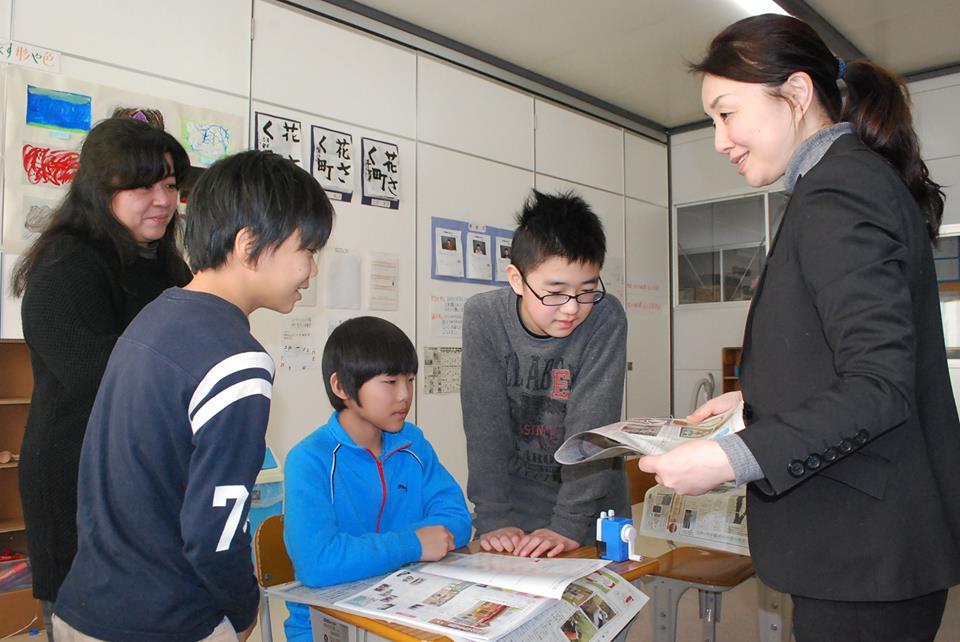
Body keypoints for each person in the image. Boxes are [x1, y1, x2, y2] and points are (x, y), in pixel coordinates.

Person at [637, 14, 960, 641]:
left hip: (865, 549)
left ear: (797, 93)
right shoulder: (839, 183)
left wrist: (730, 457)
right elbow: (835, 355)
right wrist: (751, 401)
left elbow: (878, 384)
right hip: (863, 547)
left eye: (727, 113)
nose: (719, 140)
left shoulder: (841, 190)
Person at [52, 150, 334, 642]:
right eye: (307, 250)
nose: (311, 270)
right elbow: (216, 533)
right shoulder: (237, 360)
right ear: (250, 246)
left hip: (86, 604)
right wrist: (244, 613)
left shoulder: (154, 317)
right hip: (167, 622)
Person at [11, 117, 192, 639]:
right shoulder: (63, 267)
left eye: (170, 185)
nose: (161, 199)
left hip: (146, 484)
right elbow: (107, 378)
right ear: (99, 189)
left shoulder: (165, 266)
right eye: (142, 185)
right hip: (75, 486)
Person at [461, 190, 628, 559]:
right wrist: (493, 518)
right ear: (517, 280)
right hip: (513, 508)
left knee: (593, 612)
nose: (572, 308)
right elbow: (484, 426)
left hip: (589, 507)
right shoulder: (484, 318)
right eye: (555, 292)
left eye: (586, 291)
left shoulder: (604, 317)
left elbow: (592, 428)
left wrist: (567, 524)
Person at [283, 316, 472, 642]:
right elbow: (318, 563)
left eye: (409, 380)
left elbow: (456, 522)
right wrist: (413, 544)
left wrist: (364, 553)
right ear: (340, 386)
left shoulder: (413, 444)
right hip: (330, 626)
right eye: (389, 382)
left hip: (411, 609)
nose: (404, 395)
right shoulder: (309, 459)